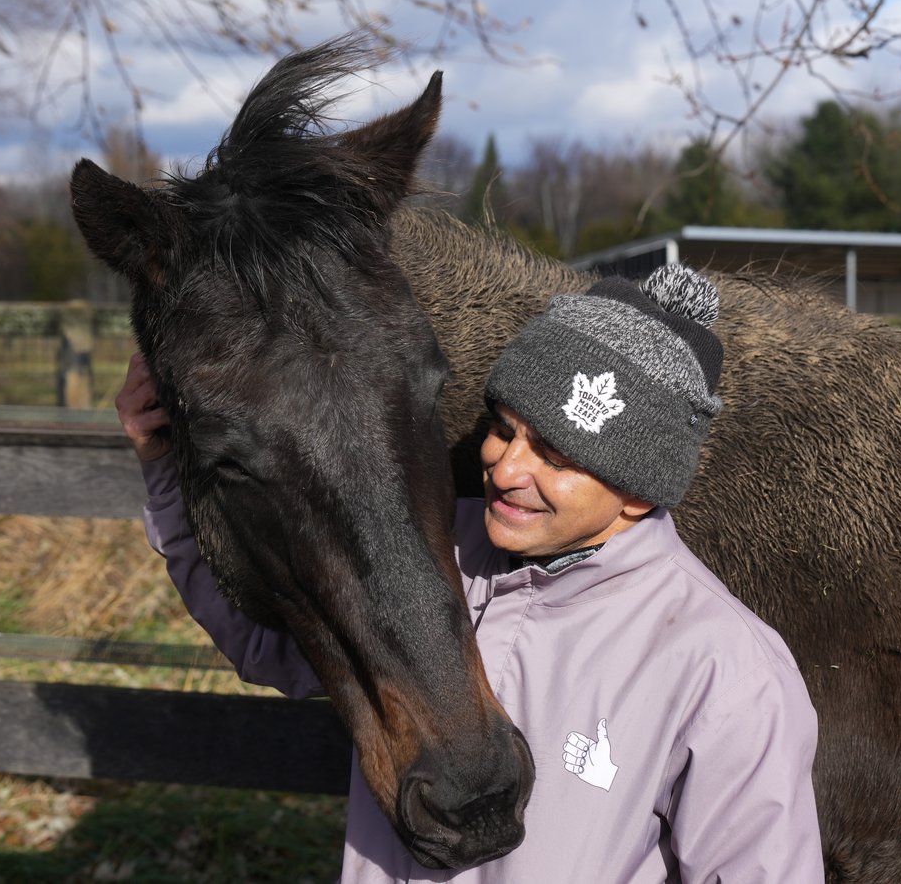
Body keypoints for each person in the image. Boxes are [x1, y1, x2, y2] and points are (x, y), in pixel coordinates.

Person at [116, 259, 823, 882]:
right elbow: (269, 646)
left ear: (640, 486)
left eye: (557, 453)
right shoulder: (434, 551)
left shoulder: (727, 669)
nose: (505, 466)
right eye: (504, 428)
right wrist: (164, 474)